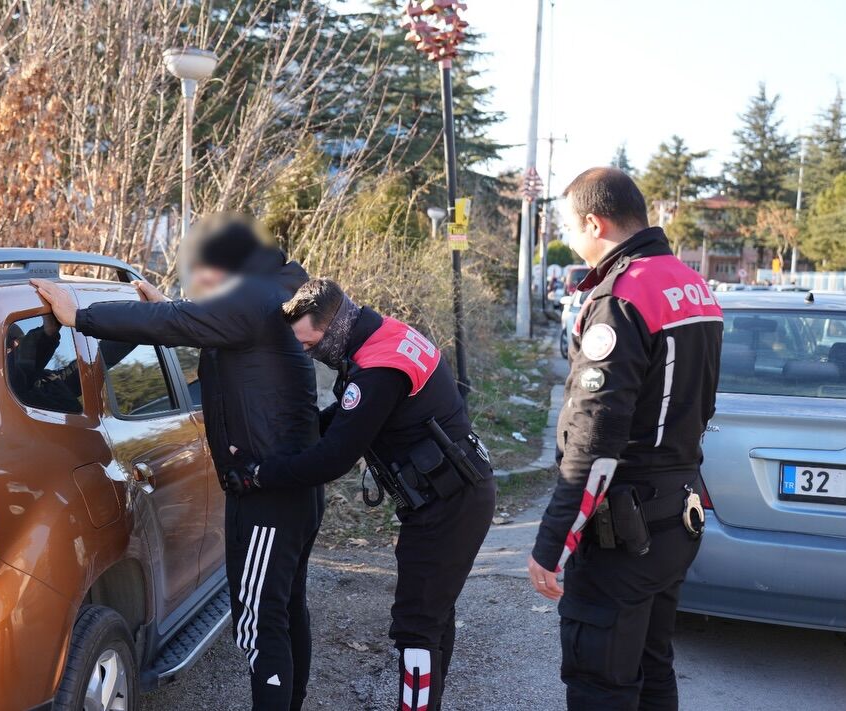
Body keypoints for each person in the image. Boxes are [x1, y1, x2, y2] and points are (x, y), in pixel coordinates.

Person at [31, 214, 323, 711]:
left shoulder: (253, 299)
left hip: (267, 494)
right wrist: (170, 309)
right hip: (293, 487)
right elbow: (197, 325)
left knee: (259, 622)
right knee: (284, 609)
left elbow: (179, 324)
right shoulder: (274, 295)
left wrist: (78, 317)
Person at [225, 278, 495, 711]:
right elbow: (344, 418)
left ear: (331, 328)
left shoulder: (379, 370)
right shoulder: (381, 334)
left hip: (447, 506)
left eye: (311, 345)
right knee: (433, 615)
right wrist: (291, 432)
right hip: (454, 496)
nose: (310, 355)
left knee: (416, 627)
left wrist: (260, 473)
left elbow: (334, 458)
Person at [527, 167, 723, 710]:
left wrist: (552, 543)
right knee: (652, 666)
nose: (569, 239)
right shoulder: (692, 283)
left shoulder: (622, 296)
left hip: (626, 528)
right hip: (678, 513)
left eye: (570, 227)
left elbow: (595, 441)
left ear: (595, 222)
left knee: (601, 680)